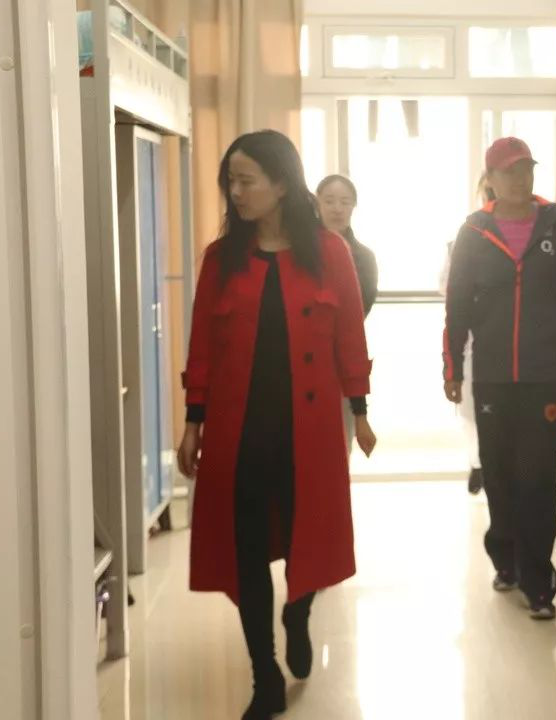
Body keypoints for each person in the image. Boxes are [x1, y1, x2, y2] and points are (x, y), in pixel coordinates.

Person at [177, 130, 374, 720]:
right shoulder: (221, 260)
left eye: (247, 181)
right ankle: (264, 673)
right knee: (246, 556)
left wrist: (361, 410)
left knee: (305, 540)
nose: (236, 193)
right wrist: (193, 421)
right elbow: (203, 347)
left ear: (282, 184)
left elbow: (349, 337)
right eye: (230, 182)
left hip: (307, 435)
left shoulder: (329, 253)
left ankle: (298, 612)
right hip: (238, 436)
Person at [442, 137, 556, 620]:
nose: (520, 179)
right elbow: (457, 306)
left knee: (539, 478)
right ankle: (504, 556)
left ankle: (538, 582)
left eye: (526, 169)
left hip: (545, 378)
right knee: (500, 474)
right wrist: (453, 368)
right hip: (492, 377)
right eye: (509, 172)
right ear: (490, 179)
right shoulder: (474, 233)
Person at [316, 174, 379, 457]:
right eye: (329, 201)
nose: (337, 209)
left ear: (354, 206)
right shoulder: (299, 251)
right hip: (301, 353)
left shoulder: (364, 257)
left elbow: (359, 309)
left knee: (339, 448)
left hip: (342, 357)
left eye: (345, 202)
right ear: (317, 203)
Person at [440, 173, 495, 495]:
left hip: (509, 346)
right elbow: (448, 290)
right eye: (487, 191)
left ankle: (488, 465)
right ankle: (477, 463)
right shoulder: (466, 238)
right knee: (472, 411)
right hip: (473, 341)